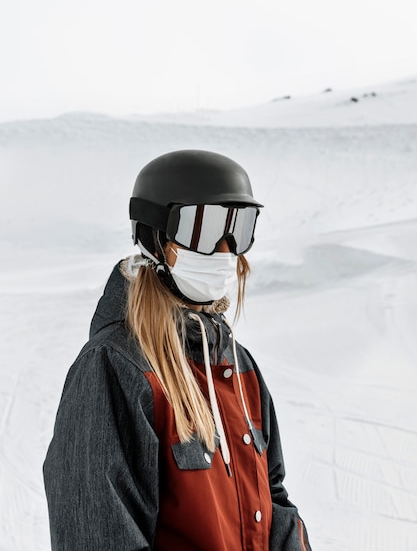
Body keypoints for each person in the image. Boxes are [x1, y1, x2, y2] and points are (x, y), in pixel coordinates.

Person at [43, 149, 311, 550]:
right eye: (203, 228)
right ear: (155, 234)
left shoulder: (238, 366)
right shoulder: (115, 369)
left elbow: (273, 500)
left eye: (238, 228)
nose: (225, 251)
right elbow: (98, 536)